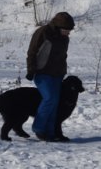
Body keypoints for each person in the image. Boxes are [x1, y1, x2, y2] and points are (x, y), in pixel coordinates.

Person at [25, 12, 75, 141]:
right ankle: (39, 128)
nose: (68, 33)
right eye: (66, 30)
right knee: (50, 99)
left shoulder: (64, 38)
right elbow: (32, 52)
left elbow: (63, 56)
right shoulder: (43, 32)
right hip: (42, 72)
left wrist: (63, 71)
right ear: (58, 27)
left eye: (69, 31)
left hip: (57, 75)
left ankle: (51, 133)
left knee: (55, 103)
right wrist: (31, 69)